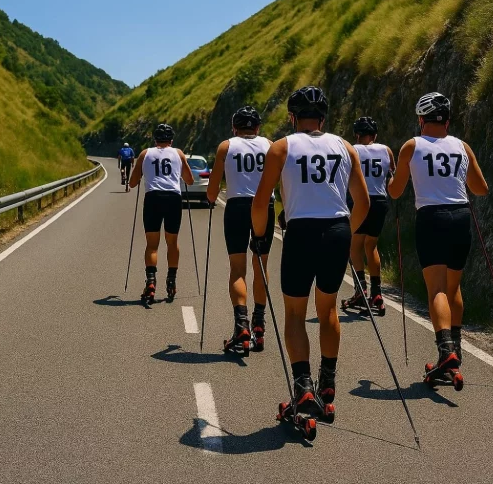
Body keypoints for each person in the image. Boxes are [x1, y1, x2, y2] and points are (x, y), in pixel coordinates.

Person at [251, 86, 369, 416]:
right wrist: (347, 233)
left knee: (294, 314)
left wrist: (260, 237)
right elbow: (363, 202)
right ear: (324, 118)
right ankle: (327, 382)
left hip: (301, 231)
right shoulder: (346, 147)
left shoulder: (281, 148)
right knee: (328, 309)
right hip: (337, 230)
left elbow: (261, 202)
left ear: (292, 117)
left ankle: (303, 387)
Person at [387, 92, 488, 386]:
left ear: (421, 120)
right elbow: (481, 189)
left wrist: (390, 179)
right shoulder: (462, 146)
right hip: (461, 216)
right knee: (454, 286)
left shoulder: (412, 146)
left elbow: (395, 192)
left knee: (436, 290)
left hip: (431, 218)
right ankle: (456, 351)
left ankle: (445, 350)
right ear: (447, 121)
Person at [206, 106, 275, 353]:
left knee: (238, 269)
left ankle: (241, 326)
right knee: (261, 266)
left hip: (236, 206)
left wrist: (211, 199)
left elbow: (212, 191)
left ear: (234, 128)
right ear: (257, 127)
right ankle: (259, 324)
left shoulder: (227, 146)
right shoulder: (269, 144)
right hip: (264, 206)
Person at [128, 124, 194, 305]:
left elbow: (132, 183)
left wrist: (143, 173)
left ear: (154, 139)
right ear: (171, 140)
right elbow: (189, 180)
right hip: (173, 199)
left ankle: (150, 281)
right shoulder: (178, 153)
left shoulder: (145, 154)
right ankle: (171, 280)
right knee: (172, 241)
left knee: (152, 245)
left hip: (153, 198)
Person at [341, 116, 395, 316]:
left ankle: (360, 289)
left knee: (354, 245)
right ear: (375, 135)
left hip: (358, 200)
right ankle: (377, 292)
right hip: (380, 202)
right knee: (371, 246)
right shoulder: (386, 150)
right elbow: (391, 175)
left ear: (356, 134)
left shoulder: (350, 150)